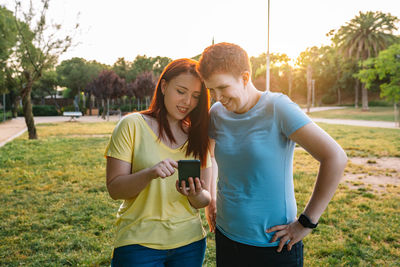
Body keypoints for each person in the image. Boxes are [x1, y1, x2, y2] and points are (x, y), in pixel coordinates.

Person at [198, 42, 348, 267]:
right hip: (227, 237)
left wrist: (306, 223)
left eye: (223, 87)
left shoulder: (277, 107)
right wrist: (210, 199)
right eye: (212, 90)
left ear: (245, 77)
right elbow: (209, 156)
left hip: (274, 246)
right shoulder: (217, 113)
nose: (218, 97)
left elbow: (335, 157)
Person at [105, 58, 212, 267]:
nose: (187, 101)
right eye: (181, 91)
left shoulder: (199, 136)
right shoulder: (132, 125)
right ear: (164, 86)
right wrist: (149, 173)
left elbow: (204, 199)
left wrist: (195, 193)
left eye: (195, 96)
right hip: (138, 244)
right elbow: (115, 189)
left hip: (189, 243)